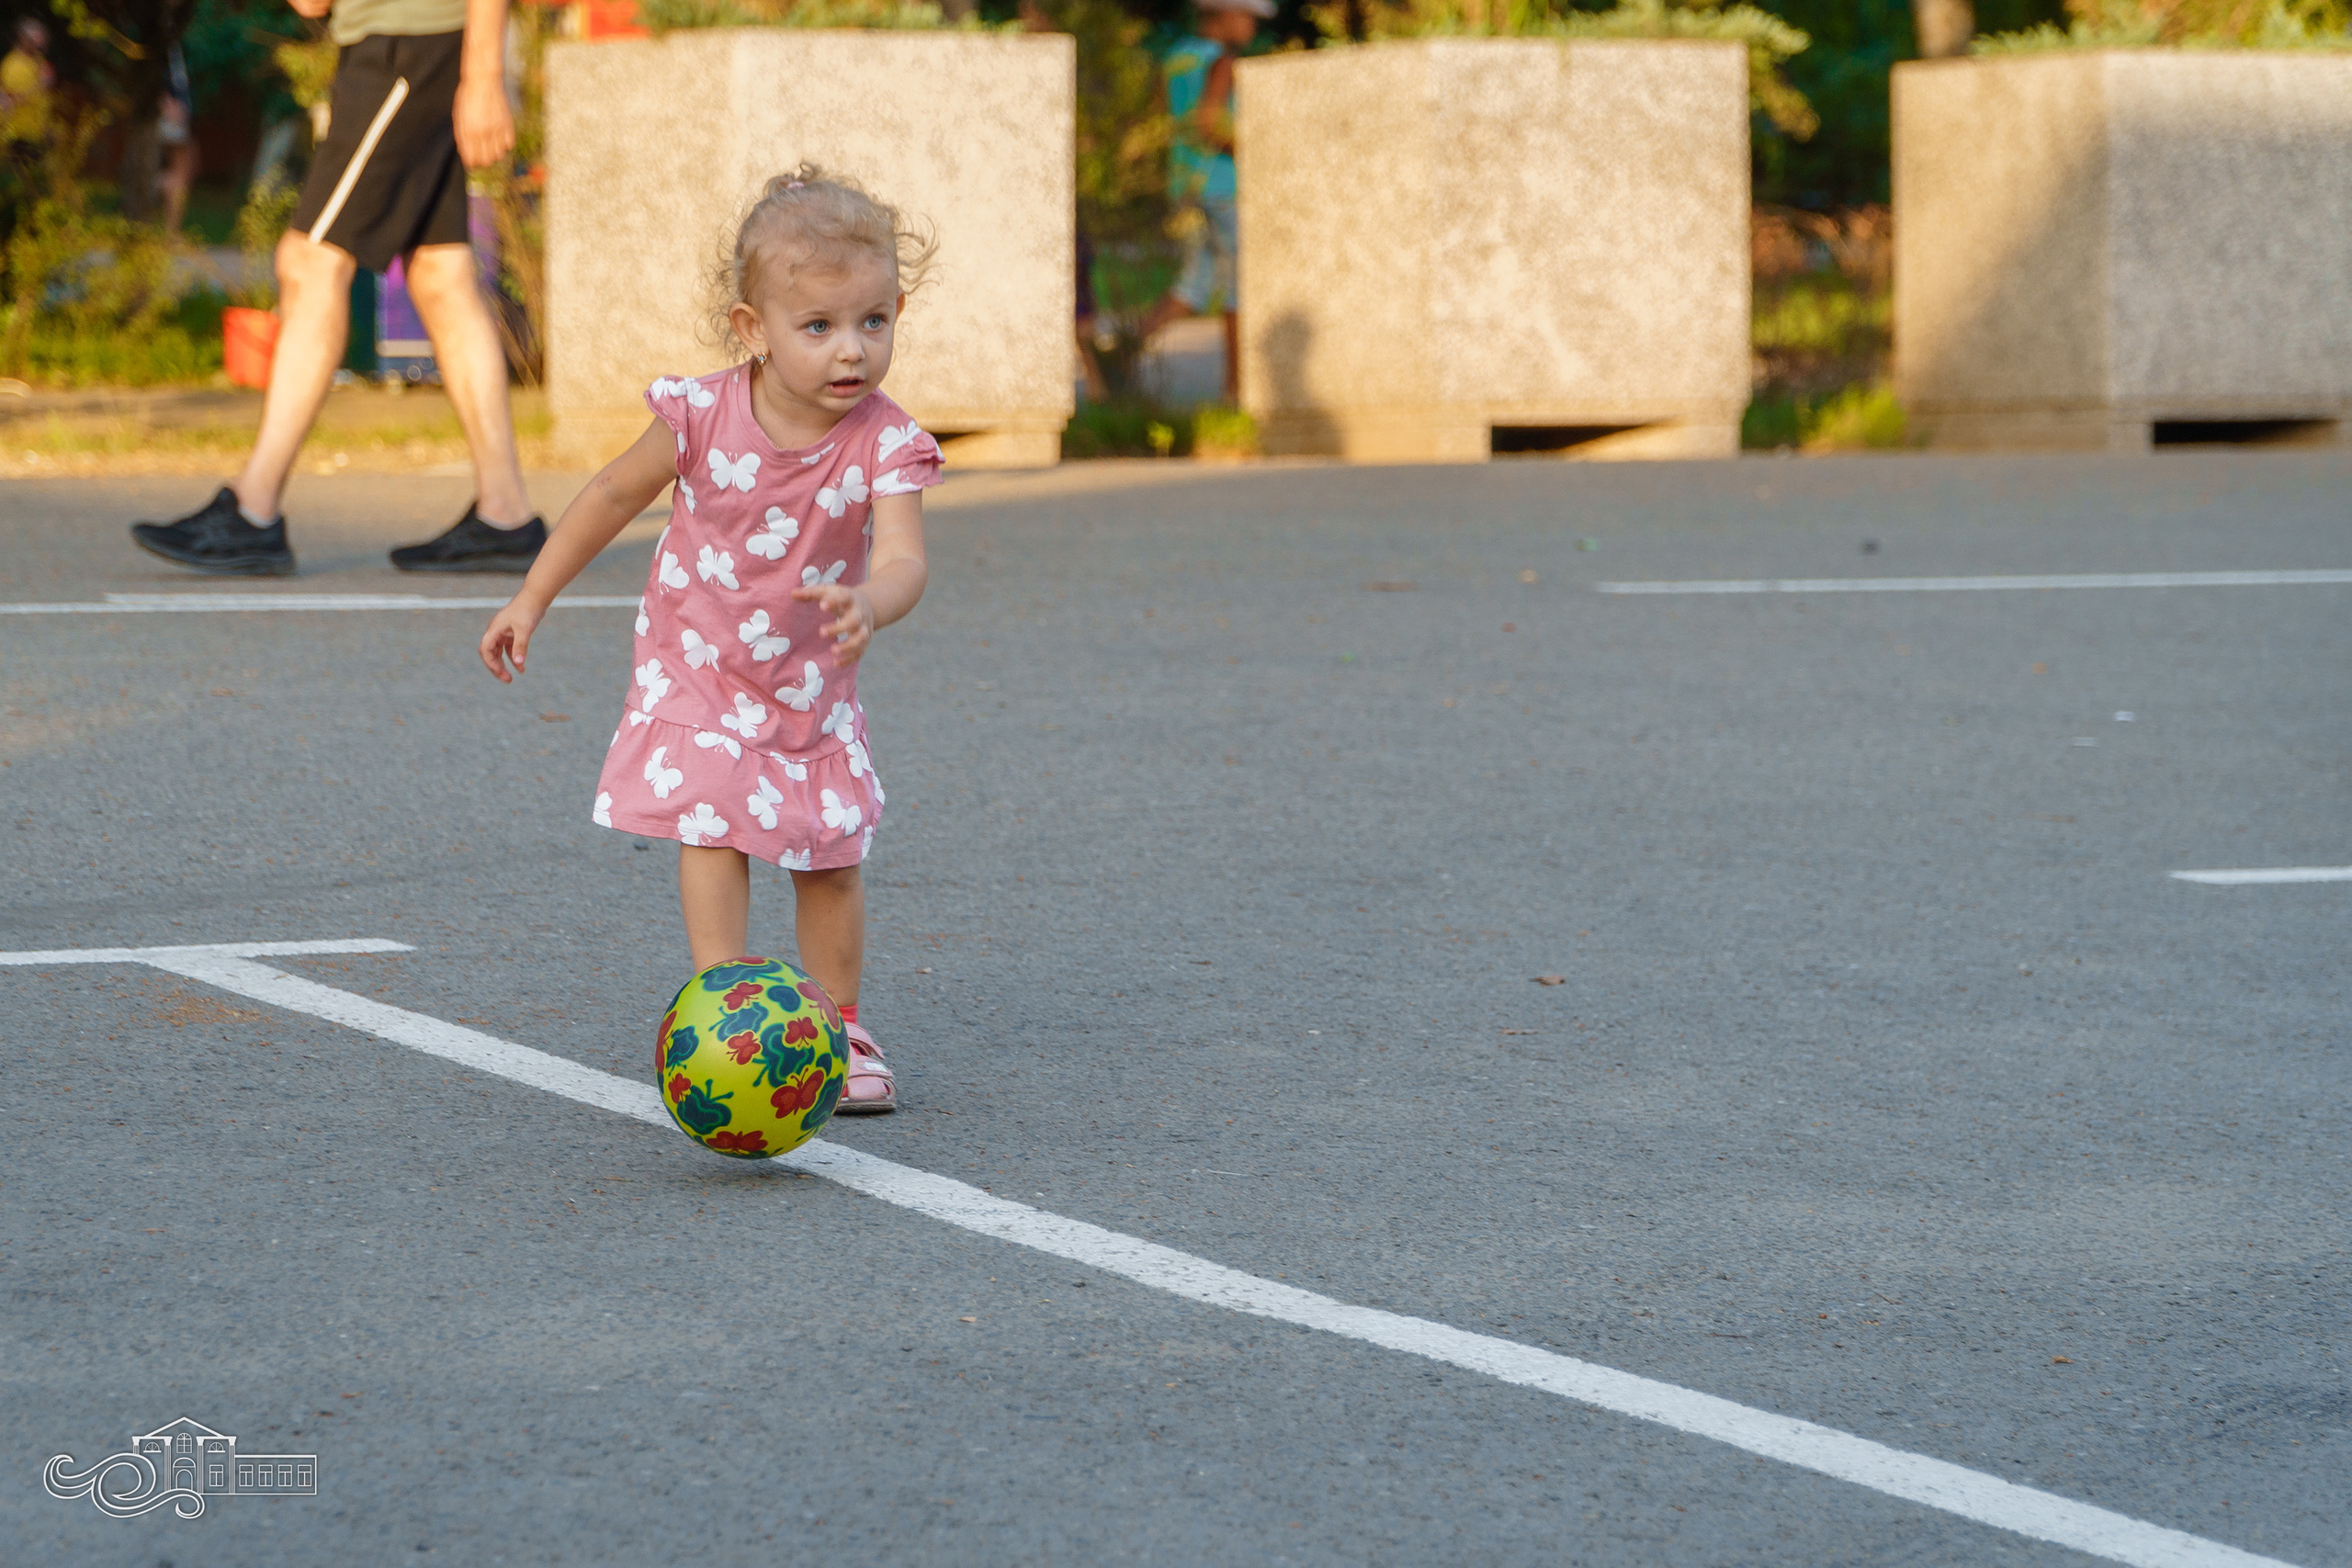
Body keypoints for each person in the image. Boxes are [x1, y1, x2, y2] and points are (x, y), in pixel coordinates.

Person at [476, 168, 943, 1115]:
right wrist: (532, 595)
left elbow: (904, 557)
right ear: (751, 328)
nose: (851, 349)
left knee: (827, 853)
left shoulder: (885, 441)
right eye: (818, 326)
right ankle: (723, 1009)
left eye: (873, 321)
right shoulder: (700, 412)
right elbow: (613, 493)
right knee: (711, 822)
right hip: (697, 663)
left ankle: (841, 1022)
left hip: (807, 685)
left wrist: (872, 601)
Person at [130, 0, 541, 577]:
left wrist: (484, 75)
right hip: (387, 47)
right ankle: (504, 513)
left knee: (310, 261)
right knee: (439, 274)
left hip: (412, 45)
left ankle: (253, 509)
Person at [1140, 0, 1270, 405]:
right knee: (1238, 286)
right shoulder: (1222, 61)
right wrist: (1255, 151)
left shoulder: (1176, 57)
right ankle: (1236, 389)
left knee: (1194, 281)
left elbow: (1168, 115)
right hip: (1224, 186)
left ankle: (1124, 352)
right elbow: (1209, 121)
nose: (1252, 27)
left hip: (1186, 183)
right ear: (1224, 15)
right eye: (1247, 17)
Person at [157, 45, 198, 234]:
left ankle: (172, 229)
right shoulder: (162, 43)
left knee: (181, 173)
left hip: (177, 118)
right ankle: (172, 231)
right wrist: (168, 108)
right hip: (171, 120)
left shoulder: (176, 49)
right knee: (178, 174)